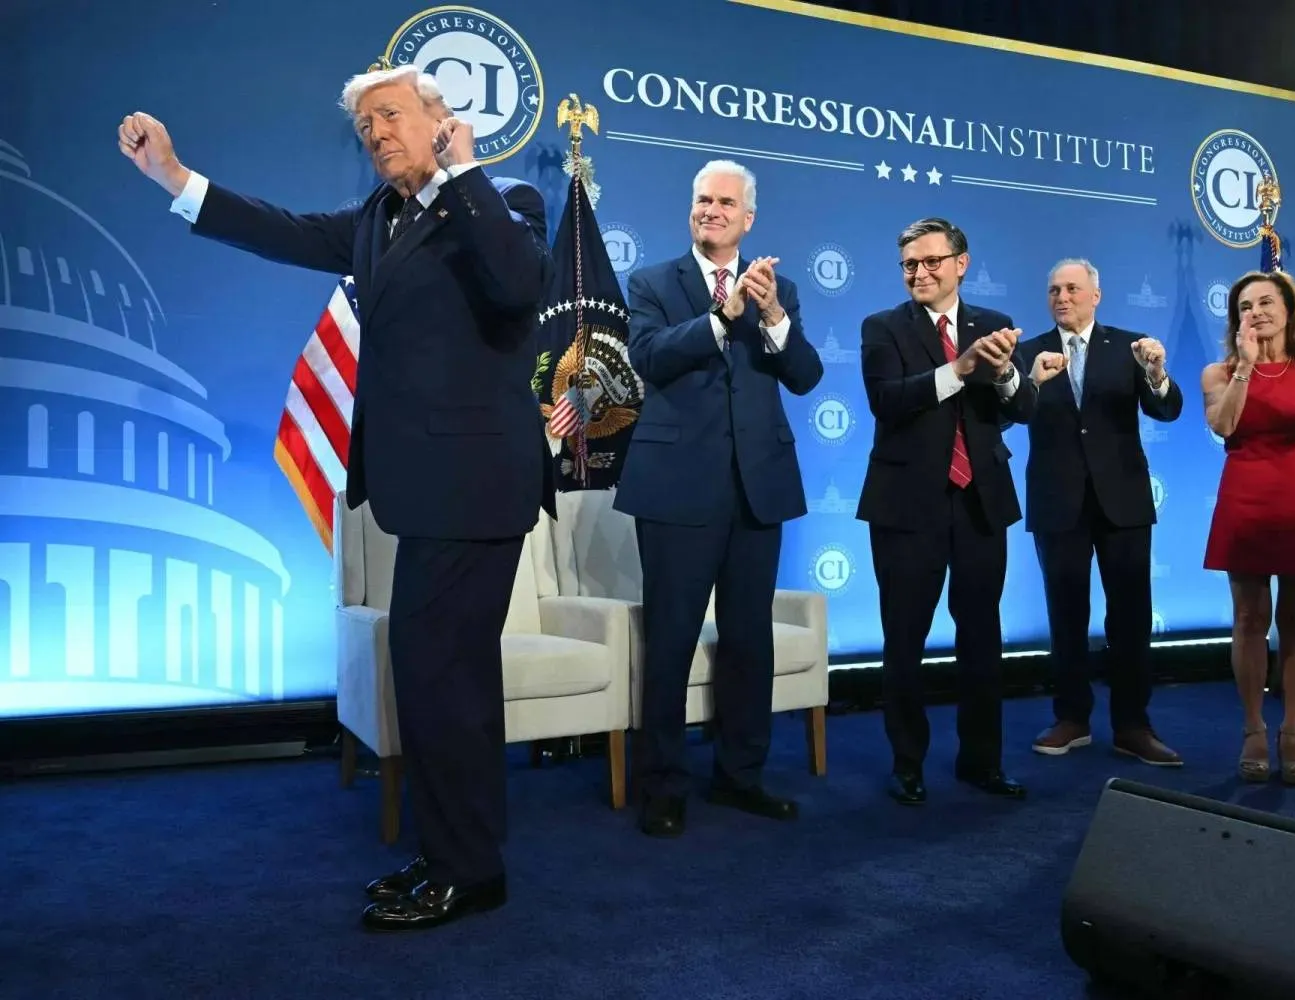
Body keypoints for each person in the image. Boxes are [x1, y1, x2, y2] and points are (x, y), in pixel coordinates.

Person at [117, 64, 553, 931]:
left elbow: (515, 287)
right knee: (438, 681)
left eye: (390, 116)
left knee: (441, 680)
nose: (377, 135)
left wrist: (462, 173)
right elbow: (277, 231)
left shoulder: (504, 204)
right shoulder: (377, 221)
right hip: (422, 491)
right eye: (365, 128)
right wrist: (175, 177)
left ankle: (469, 870)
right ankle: (455, 856)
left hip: (479, 486)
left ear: (439, 119)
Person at [613, 159, 824, 838]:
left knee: (748, 641)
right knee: (671, 641)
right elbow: (648, 356)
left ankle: (740, 777)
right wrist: (721, 317)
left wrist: (771, 317)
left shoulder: (779, 289)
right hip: (677, 489)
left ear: (749, 218)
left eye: (725, 203)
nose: (712, 210)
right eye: (702, 199)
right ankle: (664, 785)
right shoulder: (650, 282)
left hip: (756, 489)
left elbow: (806, 375)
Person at [855, 217, 1036, 806]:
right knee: (903, 639)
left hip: (980, 501)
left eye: (932, 261)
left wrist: (1006, 372)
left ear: (961, 263)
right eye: (910, 264)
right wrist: (959, 370)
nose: (920, 273)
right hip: (907, 506)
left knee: (982, 636)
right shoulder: (882, 327)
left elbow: (1024, 408)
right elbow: (888, 401)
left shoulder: (996, 326)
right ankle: (907, 763)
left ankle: (981, 761)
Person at [1014, 260, 1184, 767]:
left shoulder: (1132, 347)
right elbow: (1010, 411)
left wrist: (1156, 374)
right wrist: (1030, 382)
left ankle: (1133, 725)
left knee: (1130, 617)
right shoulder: (1027, 353)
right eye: (1053, 290)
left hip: (1123, 500)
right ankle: (1072, 717)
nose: (1061, 297)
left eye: (1071, 289)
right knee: (1066, 616)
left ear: (1096, 295)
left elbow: (1168, 408)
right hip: (1057, 499)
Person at [1202, 270, 1295, 786]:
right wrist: (1244, 366)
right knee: (1248, 618)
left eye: (1267, 302)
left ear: (1290, 309)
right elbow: (1224, 426)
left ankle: (1291, 731)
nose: (1257, 312)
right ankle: (1252, 730)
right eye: (1245, 305)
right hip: (1246, 498)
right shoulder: (1218, 372)